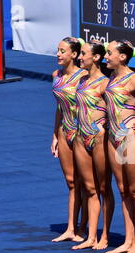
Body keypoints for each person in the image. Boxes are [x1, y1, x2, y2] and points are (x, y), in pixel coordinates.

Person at [103, 40, 135, 253]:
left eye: (109, 53)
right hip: (113, 138)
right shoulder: (112, 77)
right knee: (123, 190)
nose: (105, 56)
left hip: (131, 139)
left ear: (122, 56)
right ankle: (128, 239)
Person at [71, 39, 115, 250]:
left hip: (99, 139)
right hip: (81, 137)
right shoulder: (81, 81)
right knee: (89, 188)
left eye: (84, 54)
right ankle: (91, 236)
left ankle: (105, 235)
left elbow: (124, 108)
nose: (80, 57)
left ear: (96, 57)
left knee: (104, 188)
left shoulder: (106, 83)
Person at [51, 37, 87, 242]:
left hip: (84, 132)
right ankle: (71, 228)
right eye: (58, 50)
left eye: (62, 51)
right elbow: (58, 108)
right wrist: (55, 134)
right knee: (72, 182)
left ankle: (84, 227)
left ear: (74, 54)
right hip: (65, 130)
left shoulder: (84, 76)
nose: (58, 54)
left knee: (88, 184)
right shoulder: (55, 75)